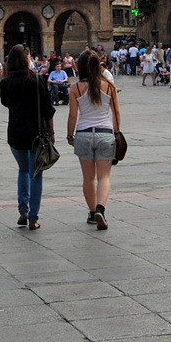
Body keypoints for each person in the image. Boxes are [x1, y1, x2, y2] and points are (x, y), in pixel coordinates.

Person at [0, 46, 53, 229]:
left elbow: (6, 102)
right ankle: (33, 216)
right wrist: (51, 133)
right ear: (25, 59)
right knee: (36, 174)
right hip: (36, 133)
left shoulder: (5, 82)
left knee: (23, 170)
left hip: (15, 132)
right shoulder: (36, 80)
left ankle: (23, 209)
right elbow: (48, 109)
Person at [67, 51, 121, 230]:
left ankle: (91, 212)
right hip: (105, 133)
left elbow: (73, 115)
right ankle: (100, 209)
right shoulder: (109, 86)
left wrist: (70, 135)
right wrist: (117, 132)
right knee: (104, 176)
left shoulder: (76, 88)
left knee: (88, 178)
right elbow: (116, 113)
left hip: (83, 134)